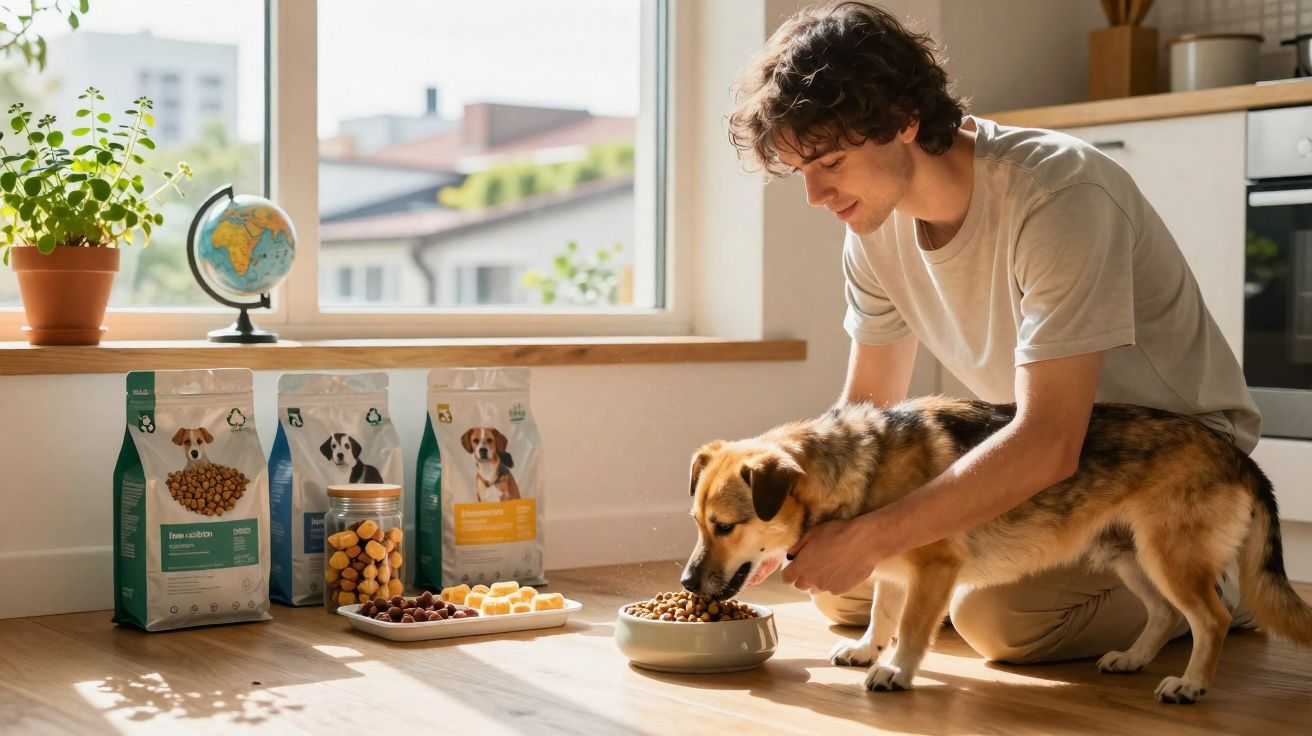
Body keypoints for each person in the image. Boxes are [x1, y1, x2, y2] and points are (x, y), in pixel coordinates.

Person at [726, 1, 1260, 664]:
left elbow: (1050, 442)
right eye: (801, 171)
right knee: (838, 589)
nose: (816, 196)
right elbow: (867, 407)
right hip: (1042, 471)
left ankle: (1222, 584)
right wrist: (803, 520)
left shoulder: (1058, 195)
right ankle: (942, 584)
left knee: (999, 619)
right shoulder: (871, 229)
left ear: (902, 119)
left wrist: (874, 538)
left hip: (1159, 477)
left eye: (829, 162)